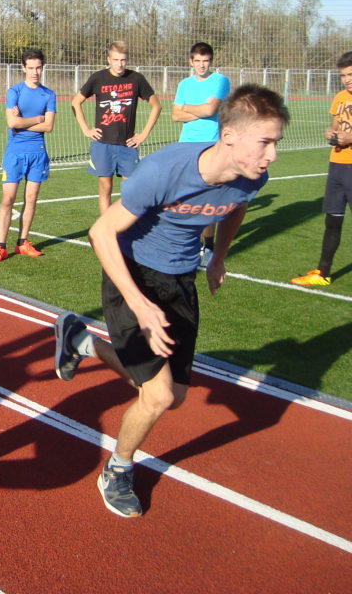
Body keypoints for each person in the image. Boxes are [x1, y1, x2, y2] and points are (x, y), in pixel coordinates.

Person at [53, 85, 288, 518]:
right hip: (133, 272)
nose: (272, 155)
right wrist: (139, 305)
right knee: (157, 396)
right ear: (230, 136)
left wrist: (218, 255)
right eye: (265, 142)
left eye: (276, 143)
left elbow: (238, 206)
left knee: (175, 396)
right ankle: (117, 470)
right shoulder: (162, 171)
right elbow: (101, 233)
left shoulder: (254, 176)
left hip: (180, 280)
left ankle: (81, 343)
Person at [70, 41, 162, 214]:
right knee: (105, 188)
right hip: (102, 144)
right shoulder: (98, 78)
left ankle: (126, 227)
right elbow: (76, 102)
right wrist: (86, 129)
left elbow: (156, 106)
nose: (120, 64)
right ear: (109, 59)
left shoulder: (136, 79)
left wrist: (143, 134)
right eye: (116, 59)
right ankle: (107, 229)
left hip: (127, 145)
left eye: (123, 60)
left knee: (130, 190)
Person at [0, 48, 56, 261]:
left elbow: (49, 126)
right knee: (8, 199)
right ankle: (1, 246)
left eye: (39, 68)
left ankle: (22, 242)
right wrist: (37, 119)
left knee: (31, 198)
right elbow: (12, 123)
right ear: (23, 68)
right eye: (31, 68)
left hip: (38, 154)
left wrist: (25, 122)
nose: (35, 72)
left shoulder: (49, 94)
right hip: (15, 154)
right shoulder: (14, 91)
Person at [291, 51, 352, 286]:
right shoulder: (339, 97)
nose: (347, 79)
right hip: (337, 165)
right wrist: (330, 132)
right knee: (333, 220)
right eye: (343, 75)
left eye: (350, 74)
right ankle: (323, 273)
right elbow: (335, 124)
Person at [172, 42, 231, 265]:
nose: (201, 65)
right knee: (186, 198)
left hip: (211, 145)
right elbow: (175, 116)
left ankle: (209, 246)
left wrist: (188, 108)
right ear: (191, 61)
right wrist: (198, 110)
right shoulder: (184, 84)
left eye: (205, 61)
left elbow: (210, 110)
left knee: (208, 200)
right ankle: (191, 244)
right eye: (197, 61)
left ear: (211, 61)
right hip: (186, 146)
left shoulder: (221, 81)